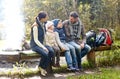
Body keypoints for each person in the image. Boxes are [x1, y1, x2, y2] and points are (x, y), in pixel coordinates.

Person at [30, 11, 54, 76]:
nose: (47, 18)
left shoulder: (43, 24)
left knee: (51, 51)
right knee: (45, 54)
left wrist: (46, 45)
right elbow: (35, 40)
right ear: (42, 18)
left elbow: (45, 35)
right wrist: (44, 47)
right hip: (35, 45)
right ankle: (42, 68)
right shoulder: (35, 26)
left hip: (42, 44)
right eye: (46, 17)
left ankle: (42, 66)